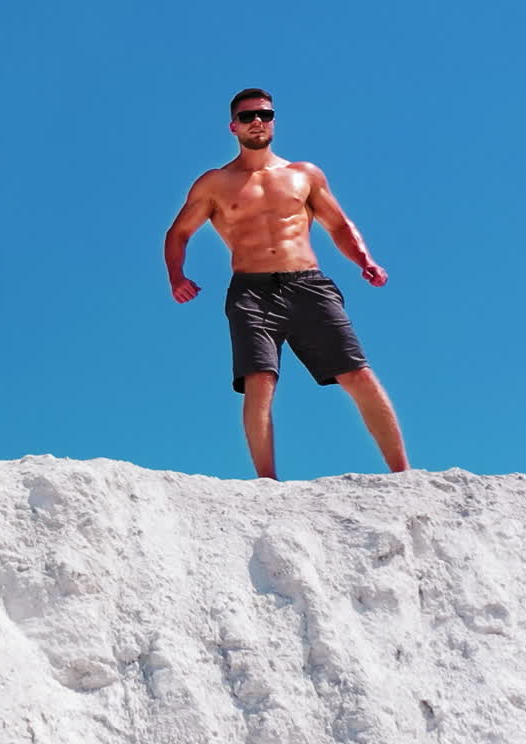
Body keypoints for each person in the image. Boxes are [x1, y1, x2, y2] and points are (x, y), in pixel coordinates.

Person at [164, 87, 408, 478]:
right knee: (258, 381)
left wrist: (365, 260)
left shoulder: (303, 175)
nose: (256, 121)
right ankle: (267, 483)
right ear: (233, 127)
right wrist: (177, 277)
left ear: (274, 120)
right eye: (247, 117)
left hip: (308, 283)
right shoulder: (214, 183)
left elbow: (338, 224)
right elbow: (178, 233)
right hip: (250, 290)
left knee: (356, 373)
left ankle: (403, 473)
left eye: (263, 114)